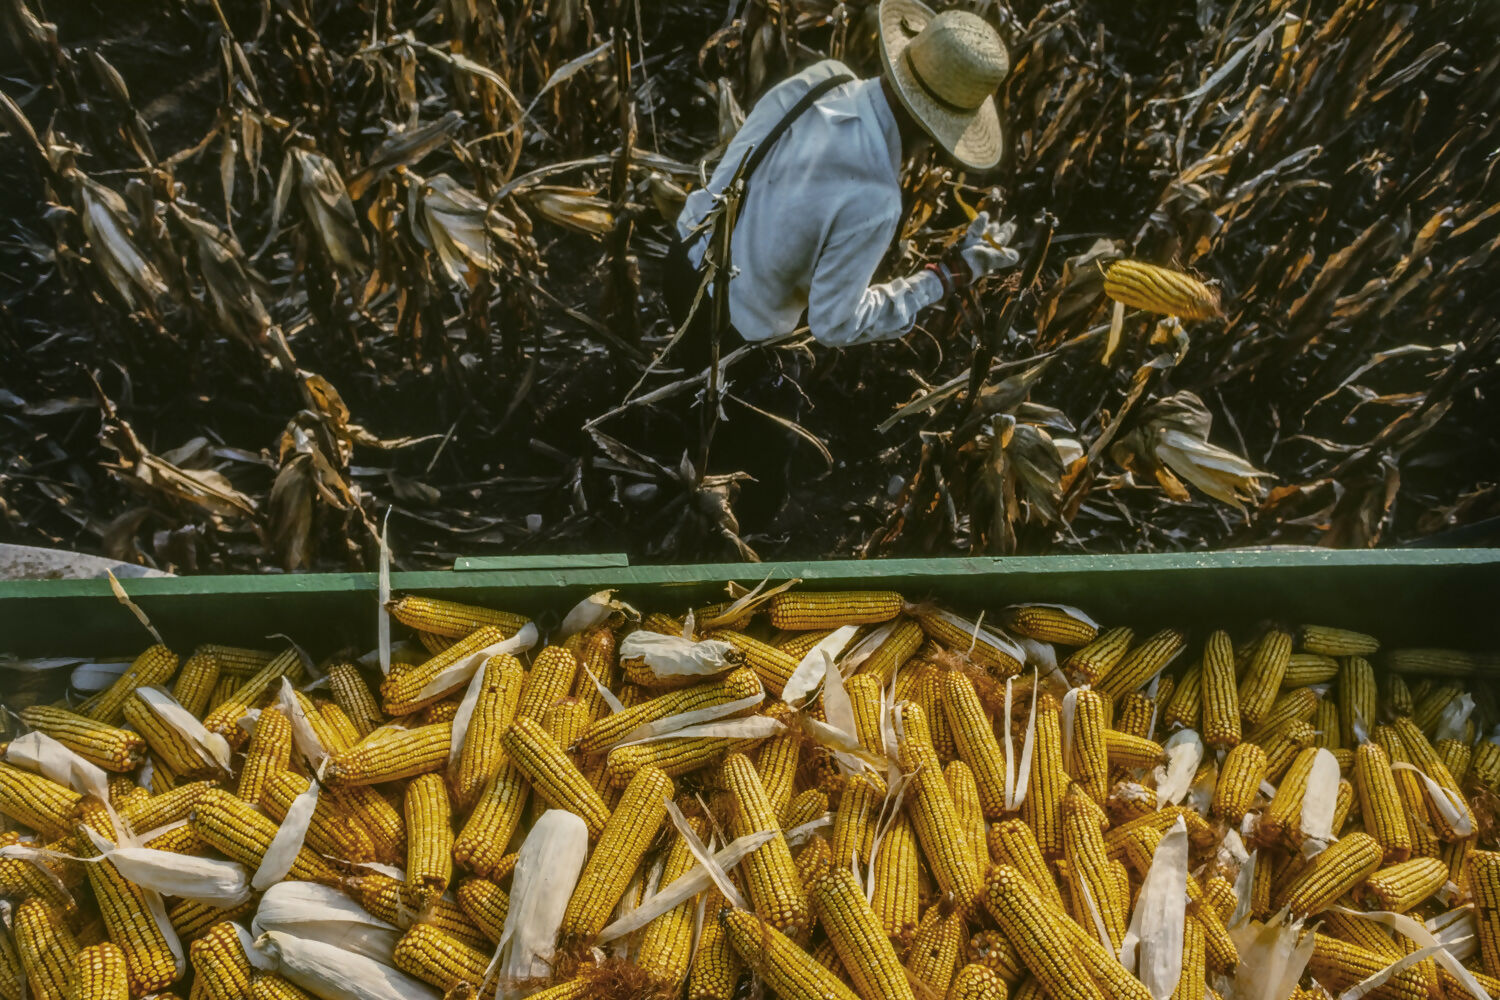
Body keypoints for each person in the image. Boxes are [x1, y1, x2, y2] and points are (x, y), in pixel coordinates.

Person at [667, 0, 1019, 350]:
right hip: (725, 330)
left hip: (683, 255)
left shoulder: (825, 77)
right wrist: (943, 278)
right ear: (939, 133)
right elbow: (833, 324)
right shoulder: (877, 199)